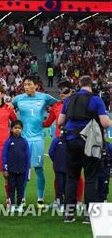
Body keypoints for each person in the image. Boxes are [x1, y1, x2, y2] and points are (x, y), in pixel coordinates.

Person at [58, 75, 111, 223]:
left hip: (71, 140)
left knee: (72, 177)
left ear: (79, 85)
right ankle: (89, 215)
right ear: (91, 85)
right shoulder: (95, 99)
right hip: (90, 141)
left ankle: (69, 214)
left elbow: (60, 121)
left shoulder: (69, 99)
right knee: (90, 177)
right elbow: (105, 123)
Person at [12, 75, 58, 208]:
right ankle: (22, 197)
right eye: (25, 84)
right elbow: (7, 107)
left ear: (36, 85)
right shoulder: (18, 99)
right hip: (23, 140)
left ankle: (40, 199)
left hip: (38, 139)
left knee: (38, 169)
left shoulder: (44, 97)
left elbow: (60, 104)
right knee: (23, 169)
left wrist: (49, 121)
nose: (26, 87)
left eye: (29, 84)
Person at [43, 80, 84, 206]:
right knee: (58, 171)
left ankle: (78, 201)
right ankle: (58, 199)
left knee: (77, 172)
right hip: (59, 143)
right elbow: (48, 123)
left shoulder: (79, 103)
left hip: (74, 140)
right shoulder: (56, 106)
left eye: (64, 89)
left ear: (71, 90)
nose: (61, 92)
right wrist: (31, 122)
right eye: (60, 90)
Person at [2, 120, 30, 213]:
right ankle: (12, 205)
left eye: (19, 128)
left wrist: (28, 172)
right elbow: (4, 155)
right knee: (11, 188)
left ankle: (20, 205)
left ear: (22, 129)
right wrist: (4, 169)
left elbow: (27, 156)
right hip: (11, 170)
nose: (17, 130)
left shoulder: (24, 142)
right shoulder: (8, 141)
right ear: (11, 129)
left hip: (22, 170)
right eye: (15, 128)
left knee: (20, 188)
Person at [48, 134, 67, 212]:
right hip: (58, 168)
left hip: (68, 168)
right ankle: (60, 204)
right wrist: (56, 161)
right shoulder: (56, 140)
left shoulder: (70, 140)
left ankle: (67, 204)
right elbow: (51, 152)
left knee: (67, 186)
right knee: (60, 186)